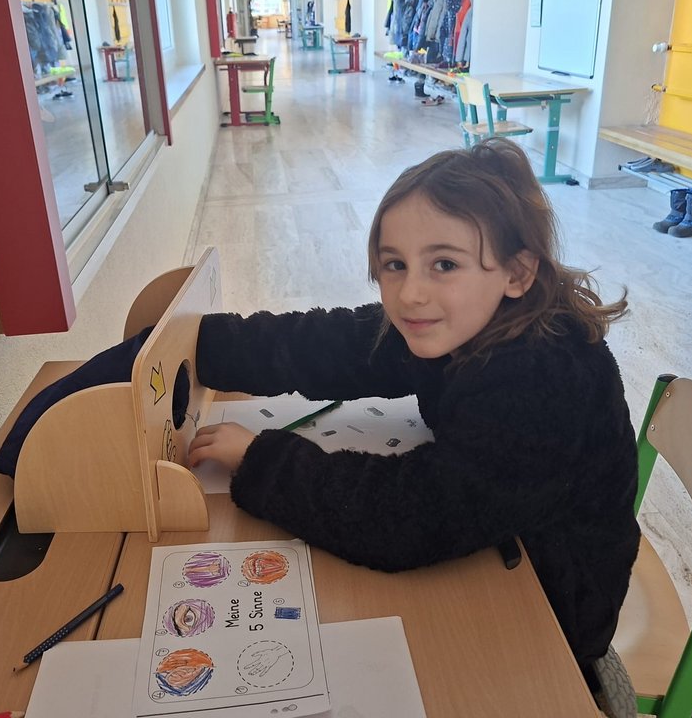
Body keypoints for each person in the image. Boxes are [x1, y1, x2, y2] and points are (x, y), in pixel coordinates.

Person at [189, 138, 640, 684]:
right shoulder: (469, 318)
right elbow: (336, 344)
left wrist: (260, 460)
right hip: (495, 546)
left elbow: (407, 517)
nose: (409, 294)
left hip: (554, 606)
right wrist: (208, 346)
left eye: (444, 264)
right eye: (394, 265)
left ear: (519, 273)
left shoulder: (543, 378)